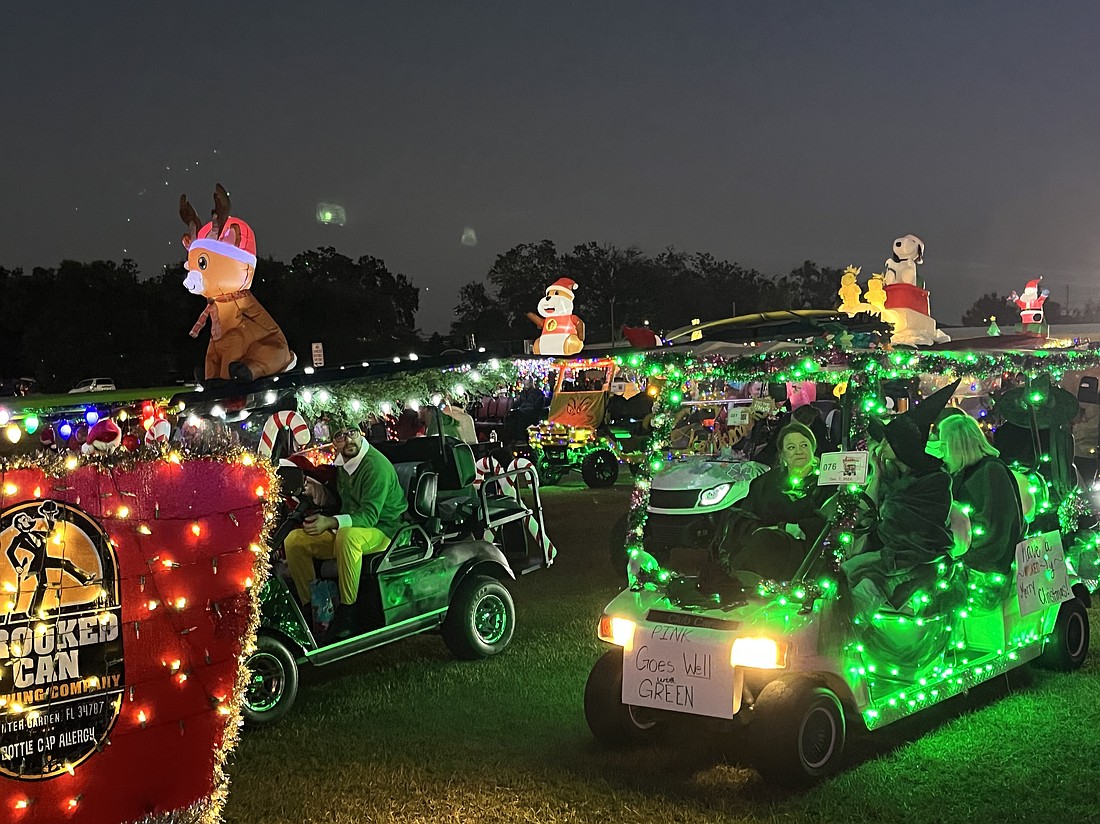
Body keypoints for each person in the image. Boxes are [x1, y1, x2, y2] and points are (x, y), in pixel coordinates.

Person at [841, 379, 960, 617]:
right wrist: (876, 475)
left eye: (887, 440)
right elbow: (872, 511)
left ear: (902, 447)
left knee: (858, 585)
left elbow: (914, 531)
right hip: (889, 552)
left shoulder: (934, 481)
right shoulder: (894, 476)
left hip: (915, 559)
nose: (881, 444)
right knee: (842, 574)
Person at [284, 421, 408, 631]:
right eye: (340, 436)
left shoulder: (375, 467)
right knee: (294, 540)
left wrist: (330, 522)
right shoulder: (344, 464)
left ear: (361, 433)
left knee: (347, 538)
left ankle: (348, 612)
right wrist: (320, 495)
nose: (348, 439)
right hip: (352, 525)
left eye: (352, 432)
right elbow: (344, 503)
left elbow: (369, 516)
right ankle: (312, 609)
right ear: (333, 442)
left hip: (386, 529)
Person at [718, 422, 830, 580]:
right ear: (783, 455)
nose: (799, 451)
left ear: (813, 449)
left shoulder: (825, 482)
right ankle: (732, 580)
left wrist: (786, 528)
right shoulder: (767, 481)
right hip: (763, 543)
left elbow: (826, 521)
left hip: (804, 549)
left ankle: (733, 581)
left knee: (764, 541)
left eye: (804, 445)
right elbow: (747, 515)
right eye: (791, 447)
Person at [930, 414, 1022, 574]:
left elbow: (997, 527)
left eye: (944, 444)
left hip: (985, 567)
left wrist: (961, 552)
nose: (941, 449)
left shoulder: (990, 470)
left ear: (955, 445)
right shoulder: (963, 472)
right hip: (969, 559)